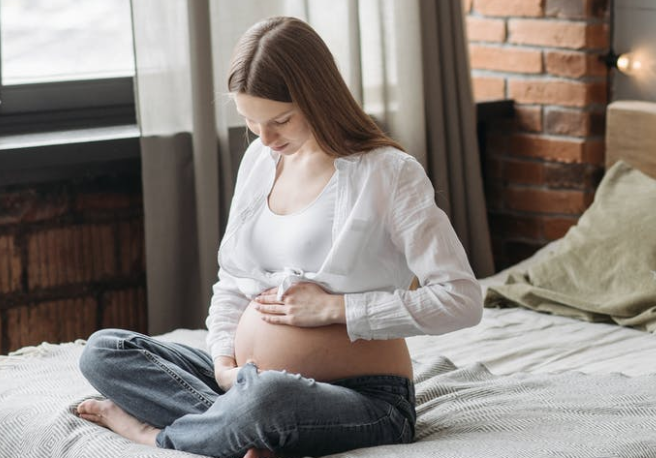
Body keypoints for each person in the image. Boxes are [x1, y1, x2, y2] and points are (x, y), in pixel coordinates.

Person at [77, 16, 482, 458]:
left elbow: (460, 299)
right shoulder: (260, 161)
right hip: (247, 383)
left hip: (364, 399)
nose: (266, 138)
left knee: (270, 399)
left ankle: (156, 435)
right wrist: (224, 364)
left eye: (280, 121)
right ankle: (239, 423)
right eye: (251, 121)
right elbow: (233, 282)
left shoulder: (387, 173)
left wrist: (336, 308)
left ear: (317, 98)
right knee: (105, 351)